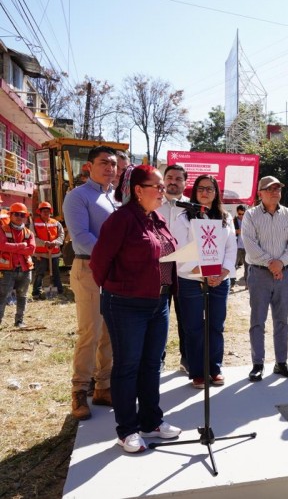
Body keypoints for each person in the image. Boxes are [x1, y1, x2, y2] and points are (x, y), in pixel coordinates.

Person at [91, 165, 181, 453]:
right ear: (138, 190)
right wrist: (117, 288)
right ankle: (127, 429)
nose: (163, 191)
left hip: (159, 302)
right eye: (158, 186)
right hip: (126, 304)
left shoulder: (157, 219)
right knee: (128, 367)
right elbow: (99, 262)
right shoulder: (121, 219)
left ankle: (151, 421)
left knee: (151, 364)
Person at [62, 145, 118, 420]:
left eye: (113, 164)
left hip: (113, 272)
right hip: (88, 268)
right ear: (89, 166)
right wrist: (113, 257)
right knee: (90, 333)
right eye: (104, 162)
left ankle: (103, 387)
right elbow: (81, 236)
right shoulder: (77, 196)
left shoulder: (115, 198)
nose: (110, 168)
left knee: (108, 332)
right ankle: (79, 390)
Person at [172, 174, 237, 389]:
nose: (205, 192)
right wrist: (202, 272)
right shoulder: (183, 217)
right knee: (193, 328)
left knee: (216, 326)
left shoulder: (225, 217)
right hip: (190, 279)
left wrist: (224, 272)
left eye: (210, 188)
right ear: (194, 191)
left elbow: (230, 248)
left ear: (216, 193)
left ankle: (215, 369)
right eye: (201, 188)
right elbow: (180, 249)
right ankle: (198, 372)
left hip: (219, 279)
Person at [242, 175, 288, 380]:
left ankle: (281, 362)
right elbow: (250, 244)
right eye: (270, 189)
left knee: (282, 320)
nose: (275, 192)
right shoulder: (250, 215)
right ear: (260, 193)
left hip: (284, 274)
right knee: (258, 320)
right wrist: (272, 263)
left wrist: (281, 263)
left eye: (277, 188)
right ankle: (257, 364)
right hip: (259, 274)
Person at [158, 164, 190, 372]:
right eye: (169, 177)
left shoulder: (192, 208)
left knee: (186, 318)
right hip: (158, 271)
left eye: (178, 178)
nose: (173, 181)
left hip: (184, 271)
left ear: (185, 183)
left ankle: (187, 359)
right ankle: (158, 360)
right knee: (158, 319)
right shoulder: (153, 204)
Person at [0, 203, 36, 328]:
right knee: (2, 296)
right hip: (7, 270)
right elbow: (2, 246)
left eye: (22, 215)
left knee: (22, 296)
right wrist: (21, 246)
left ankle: (19, 321)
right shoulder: (2, 230)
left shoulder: (29, 233)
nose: (19, 217)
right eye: (16, 214)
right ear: (10, 215)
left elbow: (31, 249)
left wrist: (12, 248)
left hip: (25, 270)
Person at [31, 201, 65, 299]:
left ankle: (59, 290)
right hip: (40, 254)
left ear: (50, 212)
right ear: (40, 212)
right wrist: (44, 243)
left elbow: (61, 235)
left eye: (48, 211)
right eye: (44, 211)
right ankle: (36, 293)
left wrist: (55, 242)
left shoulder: (56, 223)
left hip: (54, 253)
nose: (46, 213)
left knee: (56, 273)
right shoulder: (34, 223)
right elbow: (33, 237)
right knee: (40, 273)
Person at [234, 204, 248, 287]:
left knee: (247, 266)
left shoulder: (248, 220)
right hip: (236, 247)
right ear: (237, 213)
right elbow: (230, 232)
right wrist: (236, 231)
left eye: (243, 214)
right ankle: (232, 283)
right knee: (233, 265)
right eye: (239, 214)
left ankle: (247, 284)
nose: (241, 216)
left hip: (246, 247)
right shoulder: (234, 220)